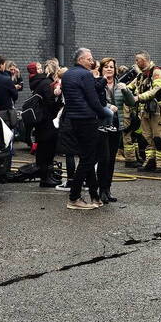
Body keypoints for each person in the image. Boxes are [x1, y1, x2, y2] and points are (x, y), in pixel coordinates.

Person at [60, 48, 113, 210]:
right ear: (81, 60)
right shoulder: (86, 74)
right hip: (88, 121)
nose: (92, 61)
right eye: (89, 59)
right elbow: (93, 100)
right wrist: (105, 115)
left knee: (86, 157)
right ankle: (74, 197)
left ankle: (95, 197)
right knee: (88, 159)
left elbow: (85, 92)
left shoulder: (68, 74)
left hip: (73, 120)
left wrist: (102, 80)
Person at [126, 50, 161, 173]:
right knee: (147, 138)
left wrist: (138, 97)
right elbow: (131, 86)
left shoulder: (156, 72)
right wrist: (122, 88)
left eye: (137, 60)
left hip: (156, 111)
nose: (135, 62)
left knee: (158, 138)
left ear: (144, 60)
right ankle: (150, 161)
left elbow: (157, 89)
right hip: (144, 111)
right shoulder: (141, 75)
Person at [31, 61, 63, 187]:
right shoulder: (46, 84)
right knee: (46, 150)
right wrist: (60, 104)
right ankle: (45, 178)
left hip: (42, 122)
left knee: (44, 150)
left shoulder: (42, 82)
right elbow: (50, 103)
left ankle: (46, 176)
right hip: (46, 122)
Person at [96, 58, 123, 203]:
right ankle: (101, 190)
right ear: (101, 69)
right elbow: (95, 100)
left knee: (111, 159)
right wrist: (107, 106)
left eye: (111, 67)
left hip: (117, 124)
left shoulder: (119, 84)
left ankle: (108, 189)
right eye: (106, 67)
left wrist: (127, 91)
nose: (109, 69)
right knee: (104, 158)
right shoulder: (98, 83)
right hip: (103, 124)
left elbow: (129, 102)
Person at [0, 54, 19, 129]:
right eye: (4, 64)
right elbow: (15, 96)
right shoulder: (6, 80)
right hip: (5, 116)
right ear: (1, 65)